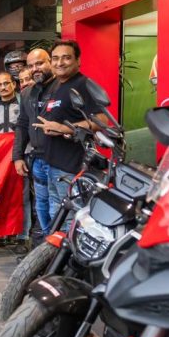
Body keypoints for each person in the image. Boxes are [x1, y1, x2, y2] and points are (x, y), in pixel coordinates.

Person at [32, 40, 108, 222]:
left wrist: (64, 129)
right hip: (52, 164)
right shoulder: (59, 86)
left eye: (66, 58)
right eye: (55, 58)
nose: (60, 63)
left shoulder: (83, 84)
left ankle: (73, 251)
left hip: (70, 167)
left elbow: (102, 120)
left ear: (78, 61)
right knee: (56, 215)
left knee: (71, 220)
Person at [0, 72, 29, 253]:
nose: (3, 87)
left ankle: (22, 238)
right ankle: (0, 235)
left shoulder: (22, 102)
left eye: (6, 83)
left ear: (14, 84)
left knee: (22, 197)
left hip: (22, 155)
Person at [13, 48, 56, 235]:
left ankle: (60, 255)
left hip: (61, 161)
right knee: (42, 206)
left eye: (39, 63)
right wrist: (18, 156)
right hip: (37, 160)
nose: (35, 68)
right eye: (30, 66)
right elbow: (22, 125)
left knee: (58, 207)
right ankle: (44, 253)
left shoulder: (63, 88)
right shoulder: (26, 93)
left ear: (51, 61)